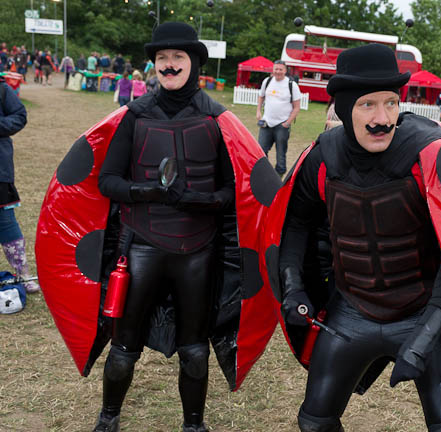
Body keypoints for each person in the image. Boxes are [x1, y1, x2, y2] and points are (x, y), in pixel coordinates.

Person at [267, 43, 441, 432]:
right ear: (343, 107)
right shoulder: (322, 158)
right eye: (368, 104)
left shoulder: (429, 157)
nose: (382, 118)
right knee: (315, 421)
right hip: (350, 314)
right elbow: (295, 225)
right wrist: (293, 286)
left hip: (424, 313)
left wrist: (425, 336)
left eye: (390, 103)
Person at [36, 22, 280, 432]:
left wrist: (199, 200)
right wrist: (146, 191)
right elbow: (107, 181)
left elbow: (231, 192)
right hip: (141, 248)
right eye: (162, 58)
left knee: (195, 351)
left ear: (195, 63)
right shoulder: (134, 117)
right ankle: (108, 417)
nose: (169, 65)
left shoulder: (217, 121)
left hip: (199, 253)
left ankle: (193, 425)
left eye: (177, 57)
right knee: (123, 348)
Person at [0, 77, 40, 294]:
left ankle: (23, 275)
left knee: (5, 222)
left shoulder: (2, 89)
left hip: (0, 171)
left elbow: (19, 116)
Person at [256, 60, 301, 176]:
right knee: (260, 151)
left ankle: (279, 176)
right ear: (273, 69)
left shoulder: (292, 85)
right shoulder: (267, 81)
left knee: (281, 153)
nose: (278, 71)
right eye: (276, 69)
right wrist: (258, 111)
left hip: (282, 125)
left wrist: (287, 122)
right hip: (266, 123)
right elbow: (261, 96)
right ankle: (264, 173)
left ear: (285, 71)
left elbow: (297, 107)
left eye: (280, 69)